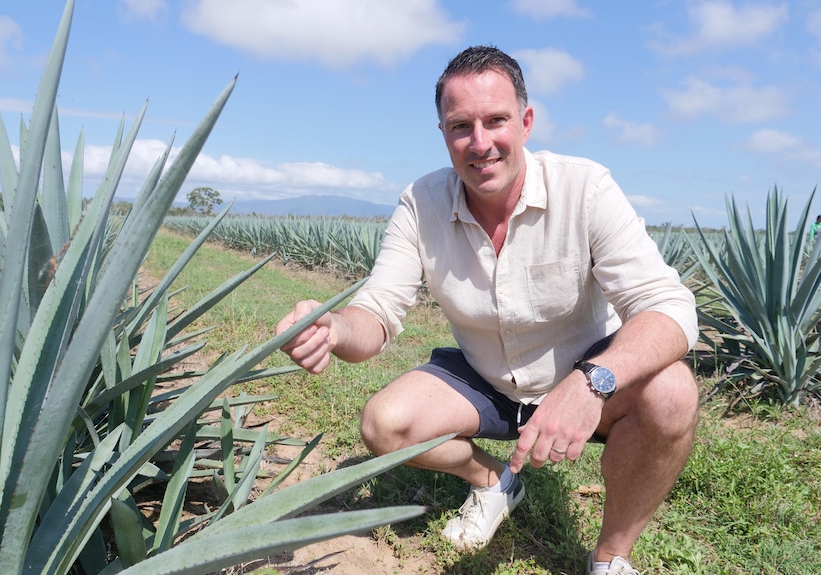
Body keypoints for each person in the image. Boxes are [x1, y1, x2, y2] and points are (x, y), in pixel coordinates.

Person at [276, 46, 699, 575]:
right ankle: (495, 483)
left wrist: (592, 382)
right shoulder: (420, 203)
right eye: (460, 126)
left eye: (495, 120)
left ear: (525, 122)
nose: (480, 144)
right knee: (385, 424)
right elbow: (377, 315)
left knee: (674, 392)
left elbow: (669, 306)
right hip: (486, 379)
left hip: (585, 374)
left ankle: (611, 558)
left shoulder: (585, 187)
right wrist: (334, 327)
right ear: (443, 133)